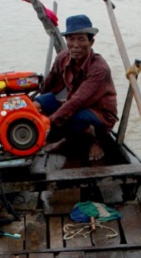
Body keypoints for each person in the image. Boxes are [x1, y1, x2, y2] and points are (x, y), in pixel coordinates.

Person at [34, 14, 117, 162]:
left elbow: (78, 101)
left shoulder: (99, 68)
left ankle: (93, 141)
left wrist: (48, 122)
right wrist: (30, 110)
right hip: (74, 106)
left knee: (78, 118)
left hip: (99, 115)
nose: (76, 45)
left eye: (81, 39)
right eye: (71, 39)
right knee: (43, 100)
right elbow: (49, 87)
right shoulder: (62, 58)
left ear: (91, 42)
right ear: (66, 41)